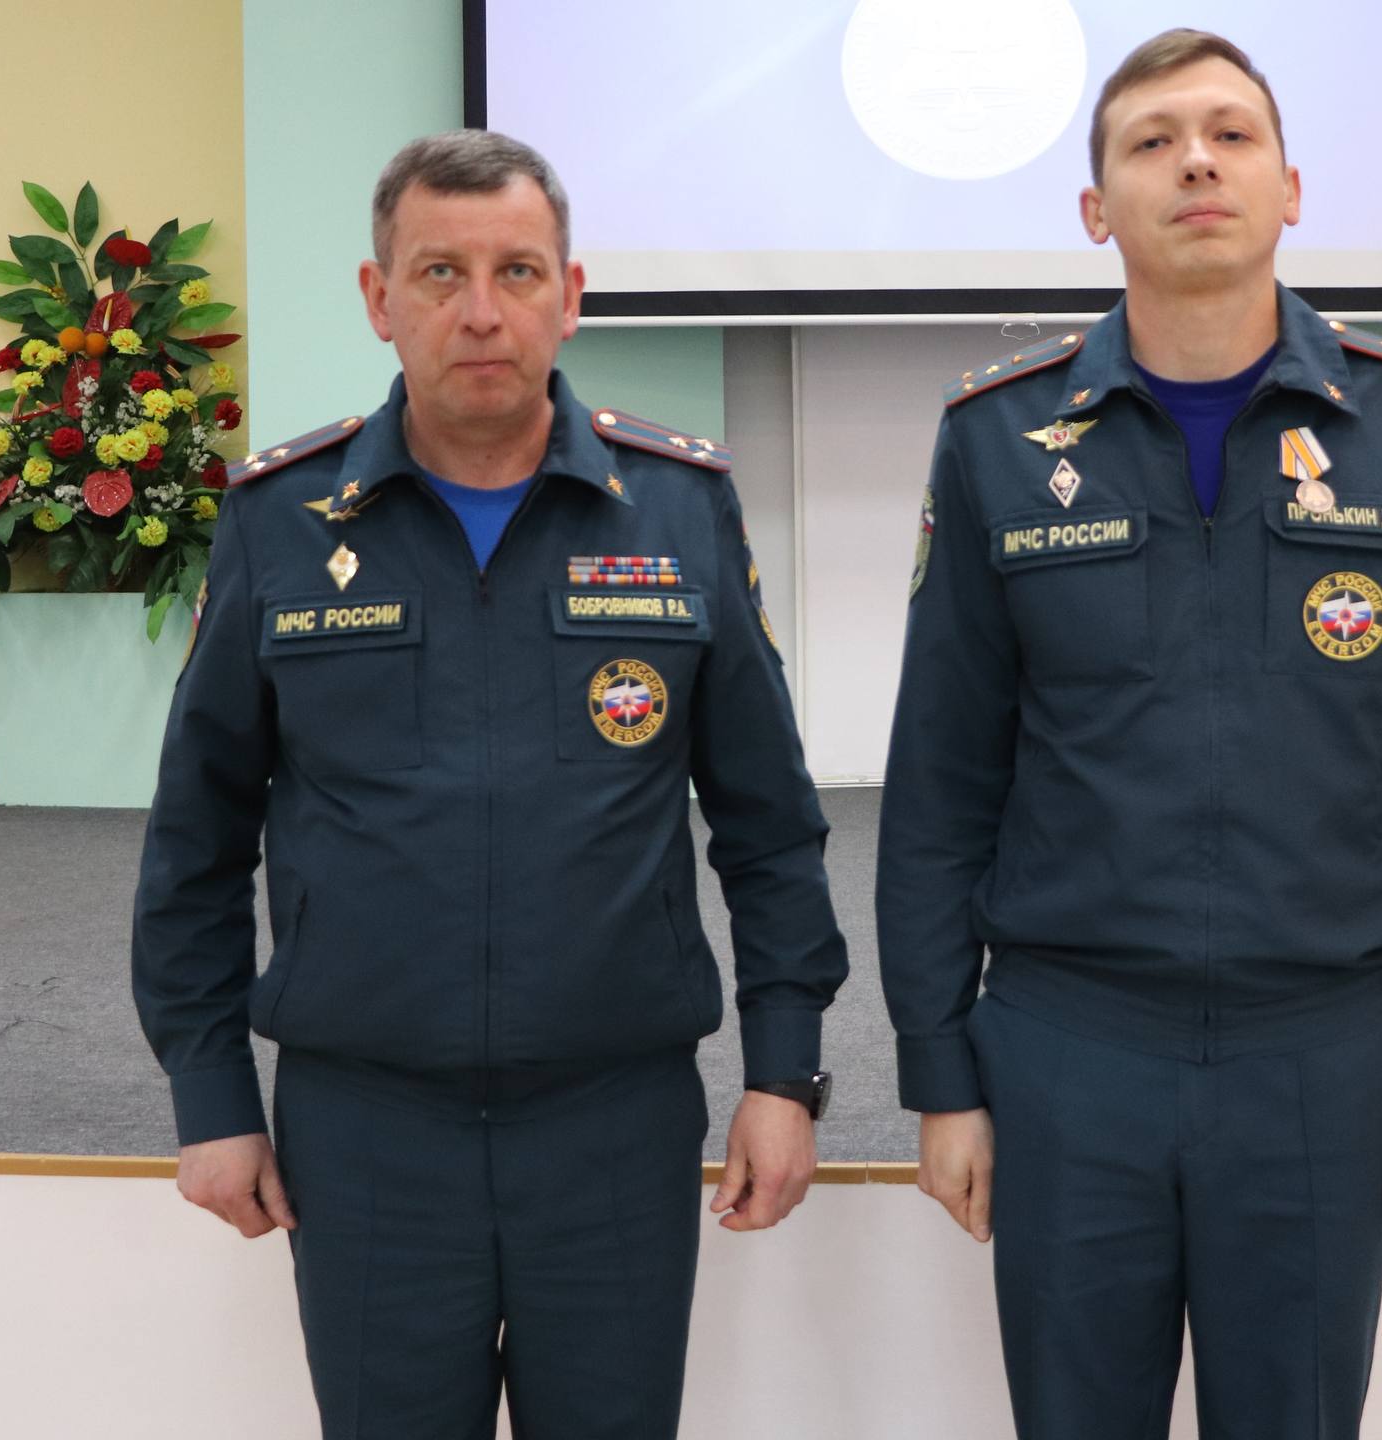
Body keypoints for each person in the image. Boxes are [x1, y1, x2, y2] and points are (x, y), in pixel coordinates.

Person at [131, 129, 846, 1439]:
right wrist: (211, 1094)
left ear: (570, 296)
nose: (479, 311)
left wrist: (784, 1073)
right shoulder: (281, 522)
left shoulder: (676, 509)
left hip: (614, 1125)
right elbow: (197, 837)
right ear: (378, 297)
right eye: (438, 273)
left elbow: (769, 824)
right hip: (366, 1132)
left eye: (517, 271)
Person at [877, 29, 1382, 1439]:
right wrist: (939, 1070)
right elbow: (939, 782)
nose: (1196, 163)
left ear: (1291, 188)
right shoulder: (997, 438)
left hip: (1319, 1053)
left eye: (1231, 135)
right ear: (1096, 207)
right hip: (1067, 1051)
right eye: (1153, 141)